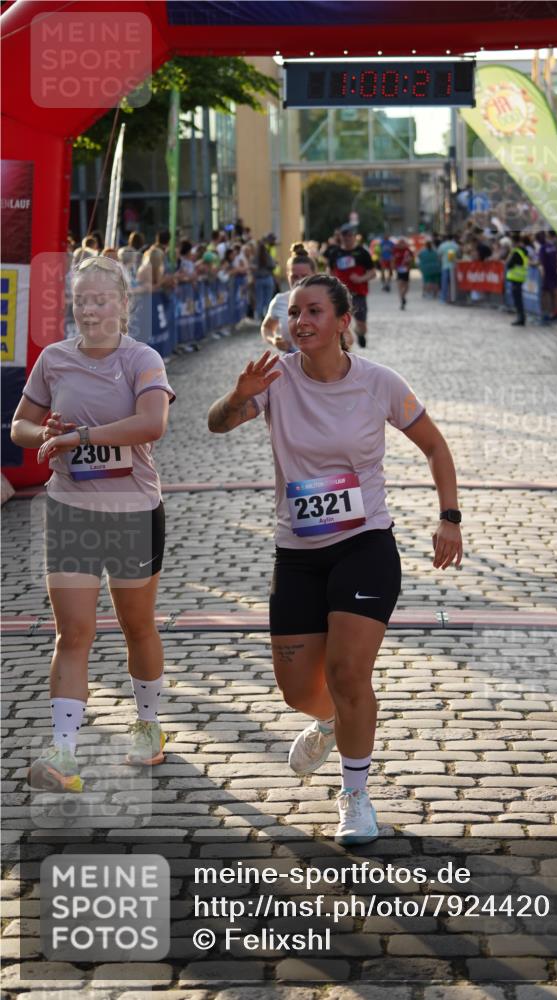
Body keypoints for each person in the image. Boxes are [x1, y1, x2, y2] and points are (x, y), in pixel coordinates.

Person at [207, 274, 463, 844]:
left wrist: (450, 518)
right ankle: (331, 720)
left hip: (364, 543)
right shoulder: (274, 380)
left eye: (314, 311)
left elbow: (435, 446)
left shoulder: (379, 383)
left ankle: (355, 794)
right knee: (297, 688)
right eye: (294, 312)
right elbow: (216, 424)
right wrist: (239, 395)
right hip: (296, 551)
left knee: (349, 673)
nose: (301, 322)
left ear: (343, 321)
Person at [10, 256, 175, 791]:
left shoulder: (142, 358)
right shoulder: (54, 359)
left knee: (137, 626)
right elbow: (20, 426)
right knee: (72, 632)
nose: (90, 308)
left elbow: (153, 423)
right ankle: (64, 752)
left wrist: (82, 437)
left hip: (132, 511)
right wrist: (46, 435)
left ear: (125, 305)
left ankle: (148, 726)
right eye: (81, 299)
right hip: (70, 509)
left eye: (101, 299)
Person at [261, 243, 316, 353]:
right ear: (287, 276)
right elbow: (266, 328)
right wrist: (274, 340)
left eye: (304, 276)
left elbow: (347, 337)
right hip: (291, 363)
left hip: (322, 364)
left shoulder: (327, 299)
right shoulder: (280, 300)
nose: (299, 281)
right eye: (294, 276)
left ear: (314, 275)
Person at [328, 223, 375, 348]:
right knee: (340, 322)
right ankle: (344, 347)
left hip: (358, 294)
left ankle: (360, 334)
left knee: (362, 325)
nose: (347, 237)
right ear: (340, 237)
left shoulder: (362, 253)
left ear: (355, 236)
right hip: (340, 294)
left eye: (349, 235)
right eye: (344, 235)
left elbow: (372, 273)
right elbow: (330, 272)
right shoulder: (335, 253)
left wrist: (361, 278)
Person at [505, 233, 529, 326]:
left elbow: (509, 264)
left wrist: (509, 256)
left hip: (516, 278)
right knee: (519, 299)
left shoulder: (516, 252)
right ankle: (521, 317)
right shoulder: (523, 250)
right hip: (521, 277)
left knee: (517, 300)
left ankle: (520, 318)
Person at [393, 238, 414, 310]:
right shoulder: (395, 250)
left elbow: (412, 258)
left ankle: (403, 296)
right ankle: (402, 301)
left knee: (407, 286)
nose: (401, 244)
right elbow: (393, 259)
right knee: (400, 285)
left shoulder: (407, 250)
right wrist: (393, 267)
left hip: (406, 270)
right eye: (400, 243)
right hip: (399, 270)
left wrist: (409, 262)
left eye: (403, 243)